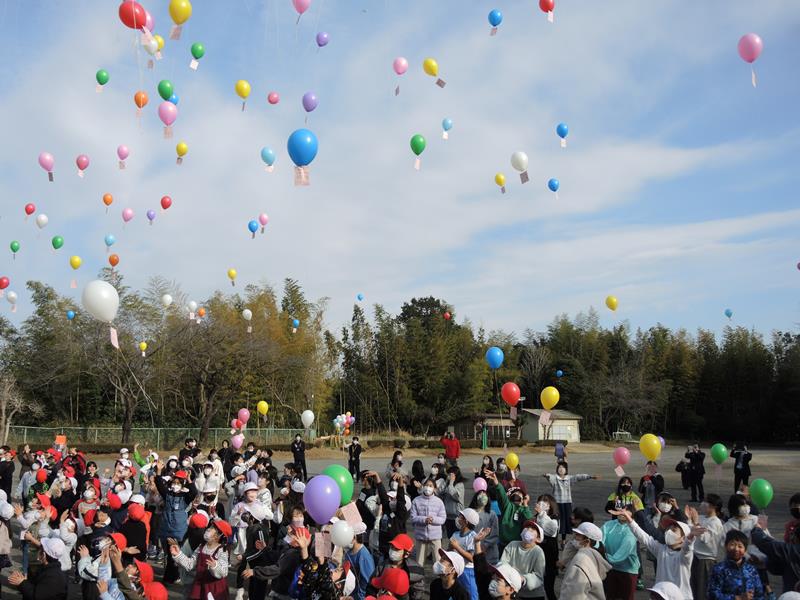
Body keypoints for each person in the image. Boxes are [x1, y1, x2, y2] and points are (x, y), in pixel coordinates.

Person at [613, 508, 703, 599]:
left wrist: (690, 538)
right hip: (660, 595)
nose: (669, 532)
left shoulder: (683, 556)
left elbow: (687, 549)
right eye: (668, 529)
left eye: (674, 530)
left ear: (683, 538)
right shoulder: (661, 549)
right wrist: (629, 519)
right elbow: (643, 537)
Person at [170, 519, 231, 600]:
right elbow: (190, 564)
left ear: (219, 535)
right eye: (210, 526)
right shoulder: (201, 546)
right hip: (199, 586)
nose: (209, 529)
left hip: (214, 588)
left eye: (213, 528)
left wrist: (215, 566)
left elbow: (224, 572)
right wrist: (178, 554)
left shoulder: (222, 550)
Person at [542, 463, 597, 547]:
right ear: (557, 469)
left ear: (566, 470)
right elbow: (550, 477)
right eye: (559, 467)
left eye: (563, 468)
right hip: (557, 503)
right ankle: (554, 539)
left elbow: (579, 477)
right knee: (556, 521)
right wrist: (547, 475)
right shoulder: (555, 478)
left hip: (567, 503)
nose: (561, 469)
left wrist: (590, 476)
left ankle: (563, 540)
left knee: (565, 522)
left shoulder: (569, 478)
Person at [559, 522, 611, 600]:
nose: (574, 538)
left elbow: (572, 595)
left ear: (587, 541)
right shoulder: (594, 555)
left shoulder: (580, 560)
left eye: (577, 535)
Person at [686, 496, 724, 600]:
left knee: (702, 591)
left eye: (706, 502)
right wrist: (689, 519)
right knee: (693, 589)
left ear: (714, 506)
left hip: (706, 560)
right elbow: (691, 530)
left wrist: (696, 522)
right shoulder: (702, 518)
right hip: (695, 557)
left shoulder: (715, 522)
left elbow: (705, 538)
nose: (703, 504)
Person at [707, 530, 764, 600]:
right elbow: (712, 594)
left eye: (740, 546)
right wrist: (737, 598)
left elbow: (759, 594)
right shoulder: (719, 569)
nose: (736, 549)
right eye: (732, 545)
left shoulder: (751, 570)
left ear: (745, 550)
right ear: (726, 546)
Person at [602, 503, 640, 600]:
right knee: (610, 596)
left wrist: (603, 557)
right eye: (622, 509)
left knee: (627, 597)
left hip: (628, 571)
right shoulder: (608, 525)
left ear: (632, 515)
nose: (622, 512)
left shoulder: (632, 530)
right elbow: (600, 541)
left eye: (626, 510)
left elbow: (623, 552)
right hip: (610, 568)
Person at [487, 470, 532, 551]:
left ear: (523, 499)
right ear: (510, 497)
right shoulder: (507, 506)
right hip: (504, 544)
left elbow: (529, 518)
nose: (517, 495)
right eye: (515, 494)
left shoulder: (523, 509)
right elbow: (501, 494)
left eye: (520, 494)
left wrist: (525, 504)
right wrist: (496, 481)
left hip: (517, 545)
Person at [751, 518, 800, 593]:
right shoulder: (790, 551)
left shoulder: (791, 550)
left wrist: (757, 529)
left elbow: (762, 541)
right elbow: (776, 569)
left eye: (792, 534)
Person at [500, 519, 546, 599]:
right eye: (527, 527)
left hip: (533, 595)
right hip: (513, 591)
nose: (528, 530)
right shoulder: (512, 545)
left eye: (532, 529)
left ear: (538, 538)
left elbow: (538, 576)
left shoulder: (538, 552)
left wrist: (523, 579)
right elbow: (503, 563)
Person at [410, 478, 447, 568]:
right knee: (419, 562)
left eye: (430, 486)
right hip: (421, 535)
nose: (428, 488)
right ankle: (419, 576)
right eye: (426, 485)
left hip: (435, 536)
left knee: (438, 561)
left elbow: (443, 518)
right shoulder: (416, 501)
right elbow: (413, 517)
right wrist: (424, 520)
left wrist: (432, 519)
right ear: (423, 487)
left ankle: (439, 576)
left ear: (434, 488)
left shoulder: (439, 502)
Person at [449, 508, 480, 599]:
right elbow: (450, 551)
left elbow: (471, 558)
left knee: (471, 595)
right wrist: (450, 548)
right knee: (455, 594)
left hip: (468, 570)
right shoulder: (455, 534)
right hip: (455, 569)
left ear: (466, 521)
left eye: (461, 517)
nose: (458, 519)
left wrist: (456, 547)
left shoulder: (472, 536)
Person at [533, 495, 560, 600]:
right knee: (536, 587)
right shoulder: (536, 517)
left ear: (550, 505)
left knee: (549, 588)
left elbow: (551, 531)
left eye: (545, 503)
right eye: (539, 502)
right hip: (537, 554)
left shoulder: (554, 518)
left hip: (550, 556)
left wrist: (541, 514)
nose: (541, 505)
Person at [344, 521, 376, 600]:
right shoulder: (349, 552)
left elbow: (367, 583)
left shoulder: (364, 557)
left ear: (354, 537)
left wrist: (355, 597)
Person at [469, 487, 500, 564]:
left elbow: (495, 534)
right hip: (472, 549)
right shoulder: (469, 513)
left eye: (485, 495)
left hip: (489, 554)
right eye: (480, 494)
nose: (483, 497)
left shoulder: (492, 514)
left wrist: (485, 545)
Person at [442, 466, 466, 538]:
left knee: (457, 538)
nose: (448, 476)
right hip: (448, 516)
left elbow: (456, 497)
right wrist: (446, 482)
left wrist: (451, 484)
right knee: (450, 537)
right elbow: (441, 493)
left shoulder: (460, 485)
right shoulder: (448, 484)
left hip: (457, 517)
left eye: (450, 474)